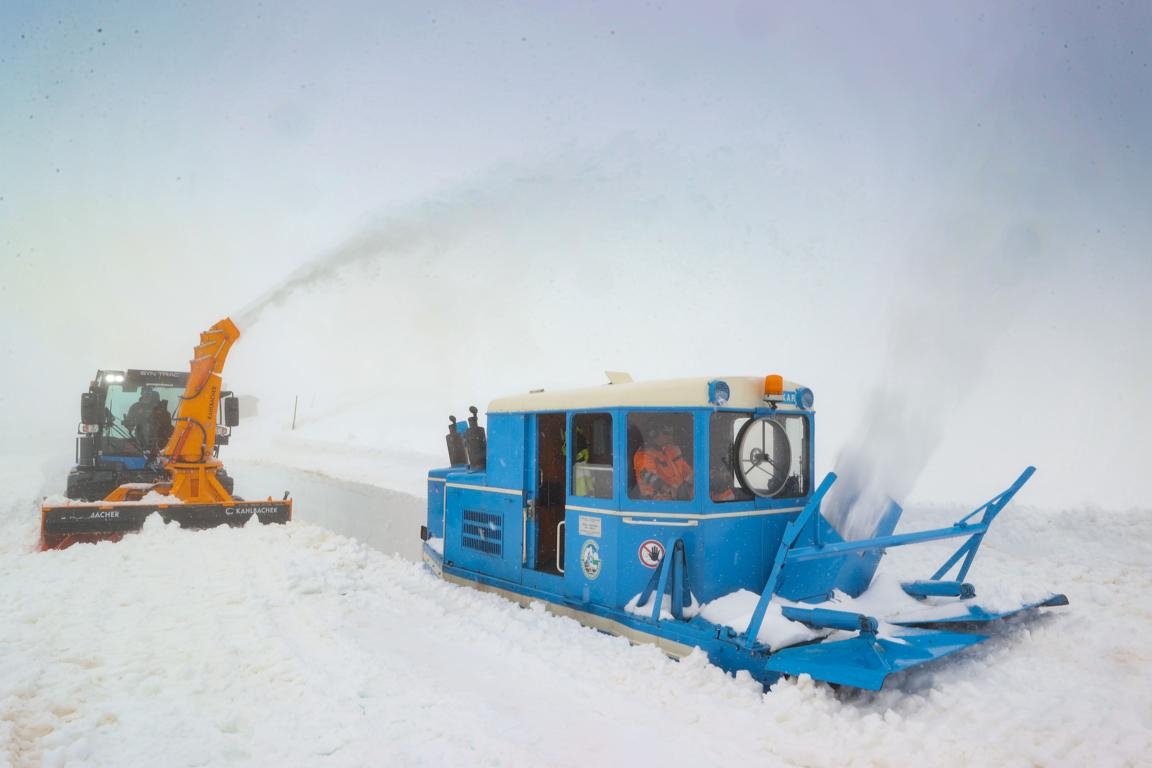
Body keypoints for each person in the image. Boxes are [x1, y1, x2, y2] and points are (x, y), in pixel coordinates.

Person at [633, 424, 693, 500]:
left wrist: (689, 483)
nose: (670, 436)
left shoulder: (672, 450)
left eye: (671, 433)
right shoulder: (644, 455)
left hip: (680, 496)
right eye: (666, 433)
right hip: (657, 501)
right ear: (653, 434)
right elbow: (649, 478)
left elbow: (688, 472)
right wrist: (670, 490)